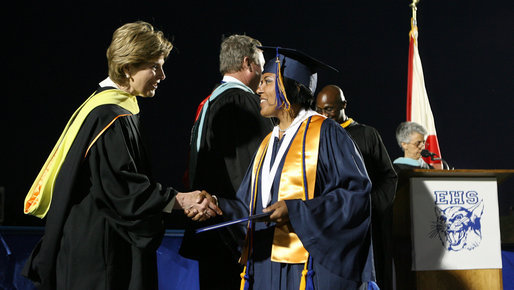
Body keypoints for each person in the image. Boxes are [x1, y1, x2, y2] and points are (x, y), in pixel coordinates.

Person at [21, 21, 221, 290]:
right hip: (100, 253)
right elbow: (123, 188)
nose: (162, 75)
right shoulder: (110, 116)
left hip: (90, 242)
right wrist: (180, 199)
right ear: (128, 68)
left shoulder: (100, 105)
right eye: (155, 66)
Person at [215, 47, 377, 289]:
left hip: (309, 268)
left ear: (294, 87)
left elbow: (356, 196)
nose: (258, 89)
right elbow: (249, 206)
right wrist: (218, 207)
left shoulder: (326, 133)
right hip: (267, 267)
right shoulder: (267, 144)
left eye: (267, 82)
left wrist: (297, 210)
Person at [180, 34, 274, 289]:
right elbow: (253, 173)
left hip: (210, 227)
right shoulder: (241, 102)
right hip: (232, 233)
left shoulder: (211, 101)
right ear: (248, 63)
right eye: (262, 66)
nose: (264, 75)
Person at [316, 84, 397, 290]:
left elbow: (388, 176)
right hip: (334, 225)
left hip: (366, 224)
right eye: (319, 110)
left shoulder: (367, 134)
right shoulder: (316, 138)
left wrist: (370, 206)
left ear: (343, 105)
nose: (323, 115)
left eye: (329, 109)